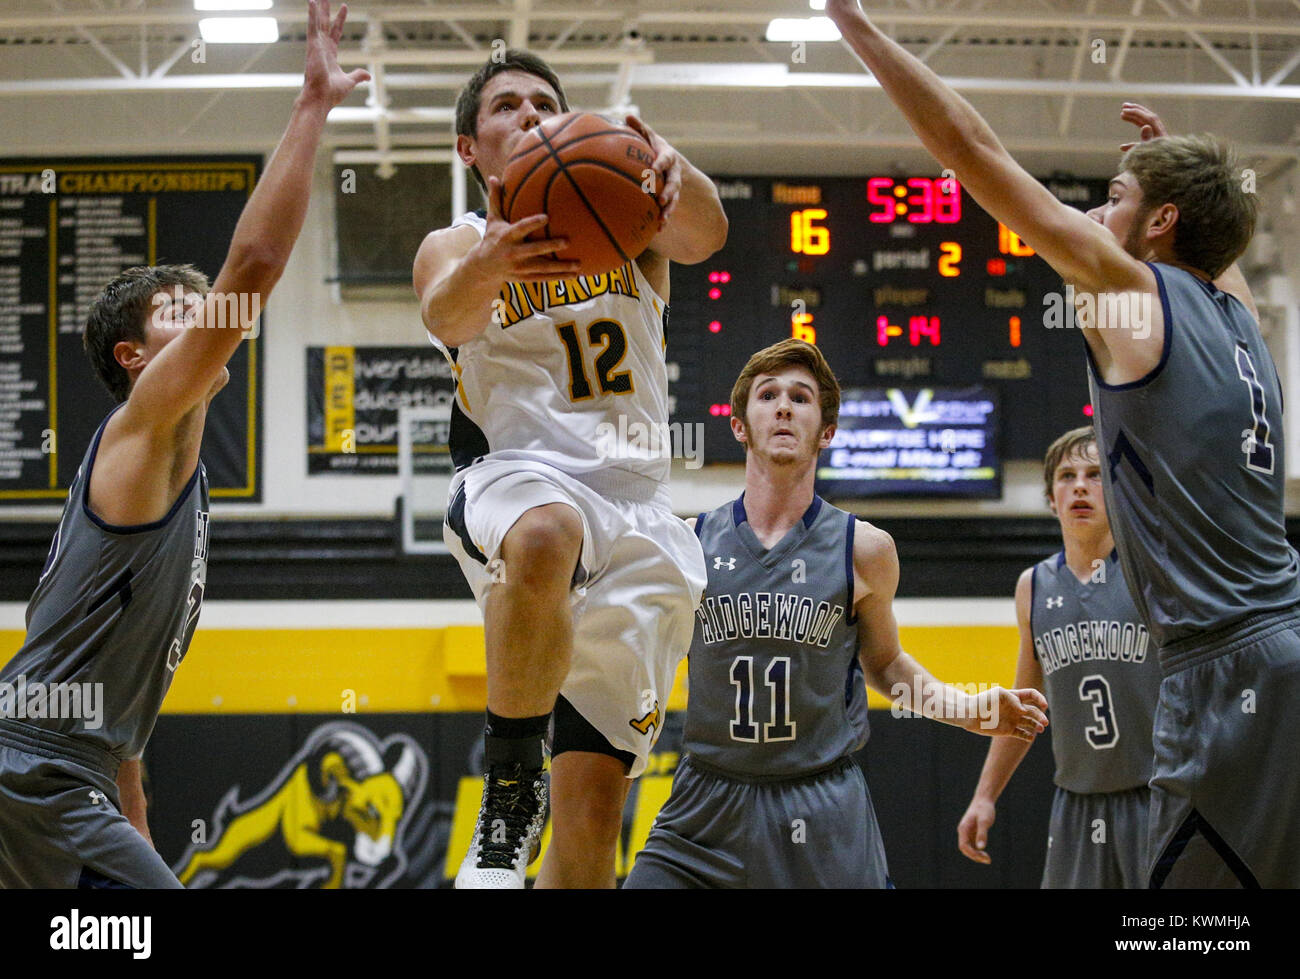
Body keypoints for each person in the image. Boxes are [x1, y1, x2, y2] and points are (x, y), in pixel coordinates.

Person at [826, 0, 1300, 888]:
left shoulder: (1132, 296)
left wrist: (858, 29)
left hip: (1220, 663)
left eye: (1115, 196)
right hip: (1283, 641)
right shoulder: (1240, 317)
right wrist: (1179, 171)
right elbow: (1217, 235)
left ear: (1160, 226)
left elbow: (975, 155)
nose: (1094, 206)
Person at [0, 0, 368, 889]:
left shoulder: (167, 475)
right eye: (180, 311)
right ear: (134, 357)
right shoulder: (143, 423)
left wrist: (140, 833)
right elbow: (251, 272)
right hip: (33, 772)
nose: (206, 320)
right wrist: (310, 107)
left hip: (59, 772)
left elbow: (118, 708)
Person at [412, 52, 727, 888]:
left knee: (590, 829)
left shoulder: (630, 228)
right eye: (505, 105)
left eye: (544, 103)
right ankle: (510, 787)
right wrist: (493, 265)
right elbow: (445, 311)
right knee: (548, 532)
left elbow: (709, 233)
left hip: (641, 513)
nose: (528, 113)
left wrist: (671, 170)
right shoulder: (458, 243)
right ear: (468, 149)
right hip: (515, 477)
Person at [623, 339, 1048, 888]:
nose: (782, 407)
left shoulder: (864, 549)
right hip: (707, 801)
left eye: (800, 398)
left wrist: (966, 709)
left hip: (819, 802)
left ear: (826, 432)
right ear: (739, 425)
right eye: (767, 395)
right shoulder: (689, 542)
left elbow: (886, 666)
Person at [957, 427, 1161, 887]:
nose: (1081, 486)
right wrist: (984, 796)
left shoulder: (1149, 573)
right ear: (1051, 497)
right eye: (1067, 476)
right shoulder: (1033, 586)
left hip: (1155, 797)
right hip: (1076, 802)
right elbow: (1024, 707)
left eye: (1095, 474)